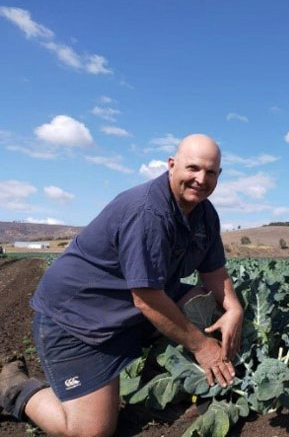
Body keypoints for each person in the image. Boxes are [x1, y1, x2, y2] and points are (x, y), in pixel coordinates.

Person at [0, 134, 244, 436]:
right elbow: (147, 299)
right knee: (92, 431)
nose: (200, 178)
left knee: (203, 298)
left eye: (210, 172)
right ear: (171, 165)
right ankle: (14, 388)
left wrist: (234, 308)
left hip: (127, 310)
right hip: (79, 320)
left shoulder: (205, 215)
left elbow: (215, 273)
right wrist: (203, 347)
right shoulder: (148, 213)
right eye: (193, 168)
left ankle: (161, 368)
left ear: (218, 176)